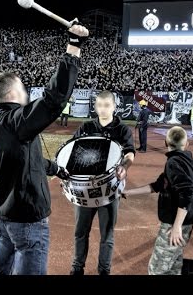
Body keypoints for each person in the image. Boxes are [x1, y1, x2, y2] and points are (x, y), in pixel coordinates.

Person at [0, 22, 88, 275]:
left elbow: (24, 163)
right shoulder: (16, 121)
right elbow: (54, 100)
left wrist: (56, 169)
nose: (27, 92)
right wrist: (73, 47)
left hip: (7, 218)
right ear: (12, 92)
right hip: (27, 221)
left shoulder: (1, 126)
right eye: (23, 88)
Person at [70, 90, 135, 275]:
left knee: (107, 235)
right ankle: (77, 268)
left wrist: (125, 167)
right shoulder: (86, 127)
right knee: (80, 232)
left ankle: (104, 270)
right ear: (95, 106)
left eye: (107, 105)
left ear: (114, 106)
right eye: (99, 105)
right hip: (84, 189)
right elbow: (72, 154)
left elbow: (130, 153)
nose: (102, 109)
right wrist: (67, 177)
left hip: (110, 190)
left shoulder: (122, 130)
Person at [122, 126, 193, 275]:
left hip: (175, 223)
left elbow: (188, 193)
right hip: (182, 221)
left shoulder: (174, 163)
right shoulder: (181, 161)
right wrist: (128, 192)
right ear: (186, 144)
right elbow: (157, 186)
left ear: (165, 142)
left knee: (156, 269)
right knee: (173, 266)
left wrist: (177, 226)